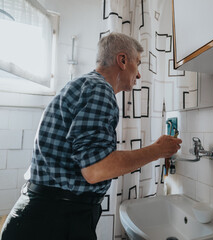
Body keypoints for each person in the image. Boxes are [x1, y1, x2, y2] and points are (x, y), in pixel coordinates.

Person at [0, 33, 182, 240]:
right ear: (122, 60)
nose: (139, 75)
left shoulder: (84, 85)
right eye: (137, 64)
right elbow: (96, 169)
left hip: (43, 214)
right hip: (52, 221)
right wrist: (157, 150)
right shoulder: (99, 90)